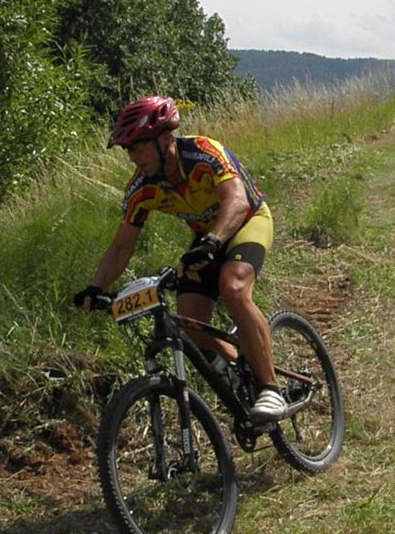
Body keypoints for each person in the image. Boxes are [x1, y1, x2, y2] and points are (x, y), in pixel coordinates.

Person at [73, 95, 286, 421]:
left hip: (247, 220)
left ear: (164, 139)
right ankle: (238, 373)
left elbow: (237, 201)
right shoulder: (141, 188)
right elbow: (121, 247)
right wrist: (95, 287)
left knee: (233, 288)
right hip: (207, 237)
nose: (133, 157)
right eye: (128, 150)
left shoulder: (203, 152)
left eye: (138, 147)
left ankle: (271, 389)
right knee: (191, 324)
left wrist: (213, 241)